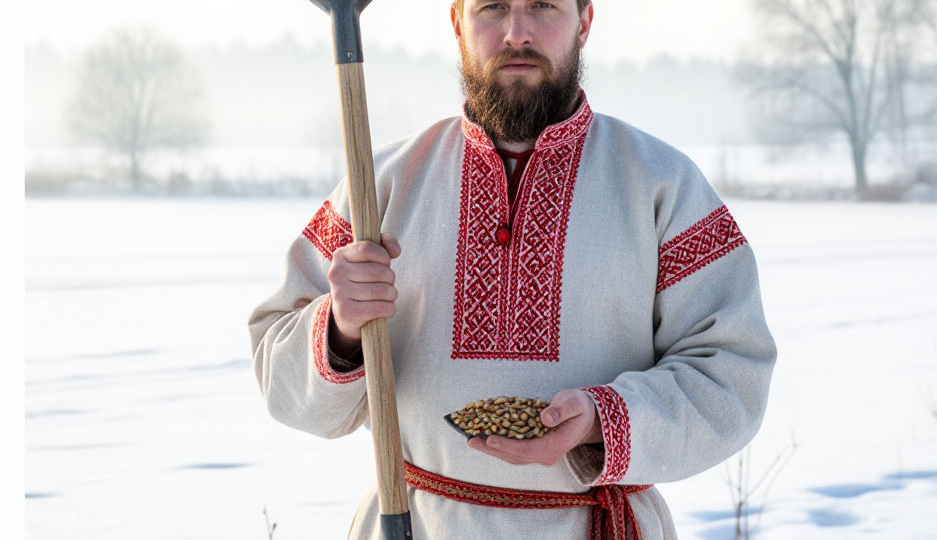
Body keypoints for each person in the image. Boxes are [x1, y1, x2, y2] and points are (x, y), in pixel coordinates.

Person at [249, 0, 777, 538]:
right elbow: (278, 375)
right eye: (493, 7)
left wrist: (603, 419)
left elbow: (734, 377)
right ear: (457, 24)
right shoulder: (379, 186)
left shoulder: (662, 185)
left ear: (585, 22)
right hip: (415, 524)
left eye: (543, 5)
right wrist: (339, 327)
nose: (516, 32)